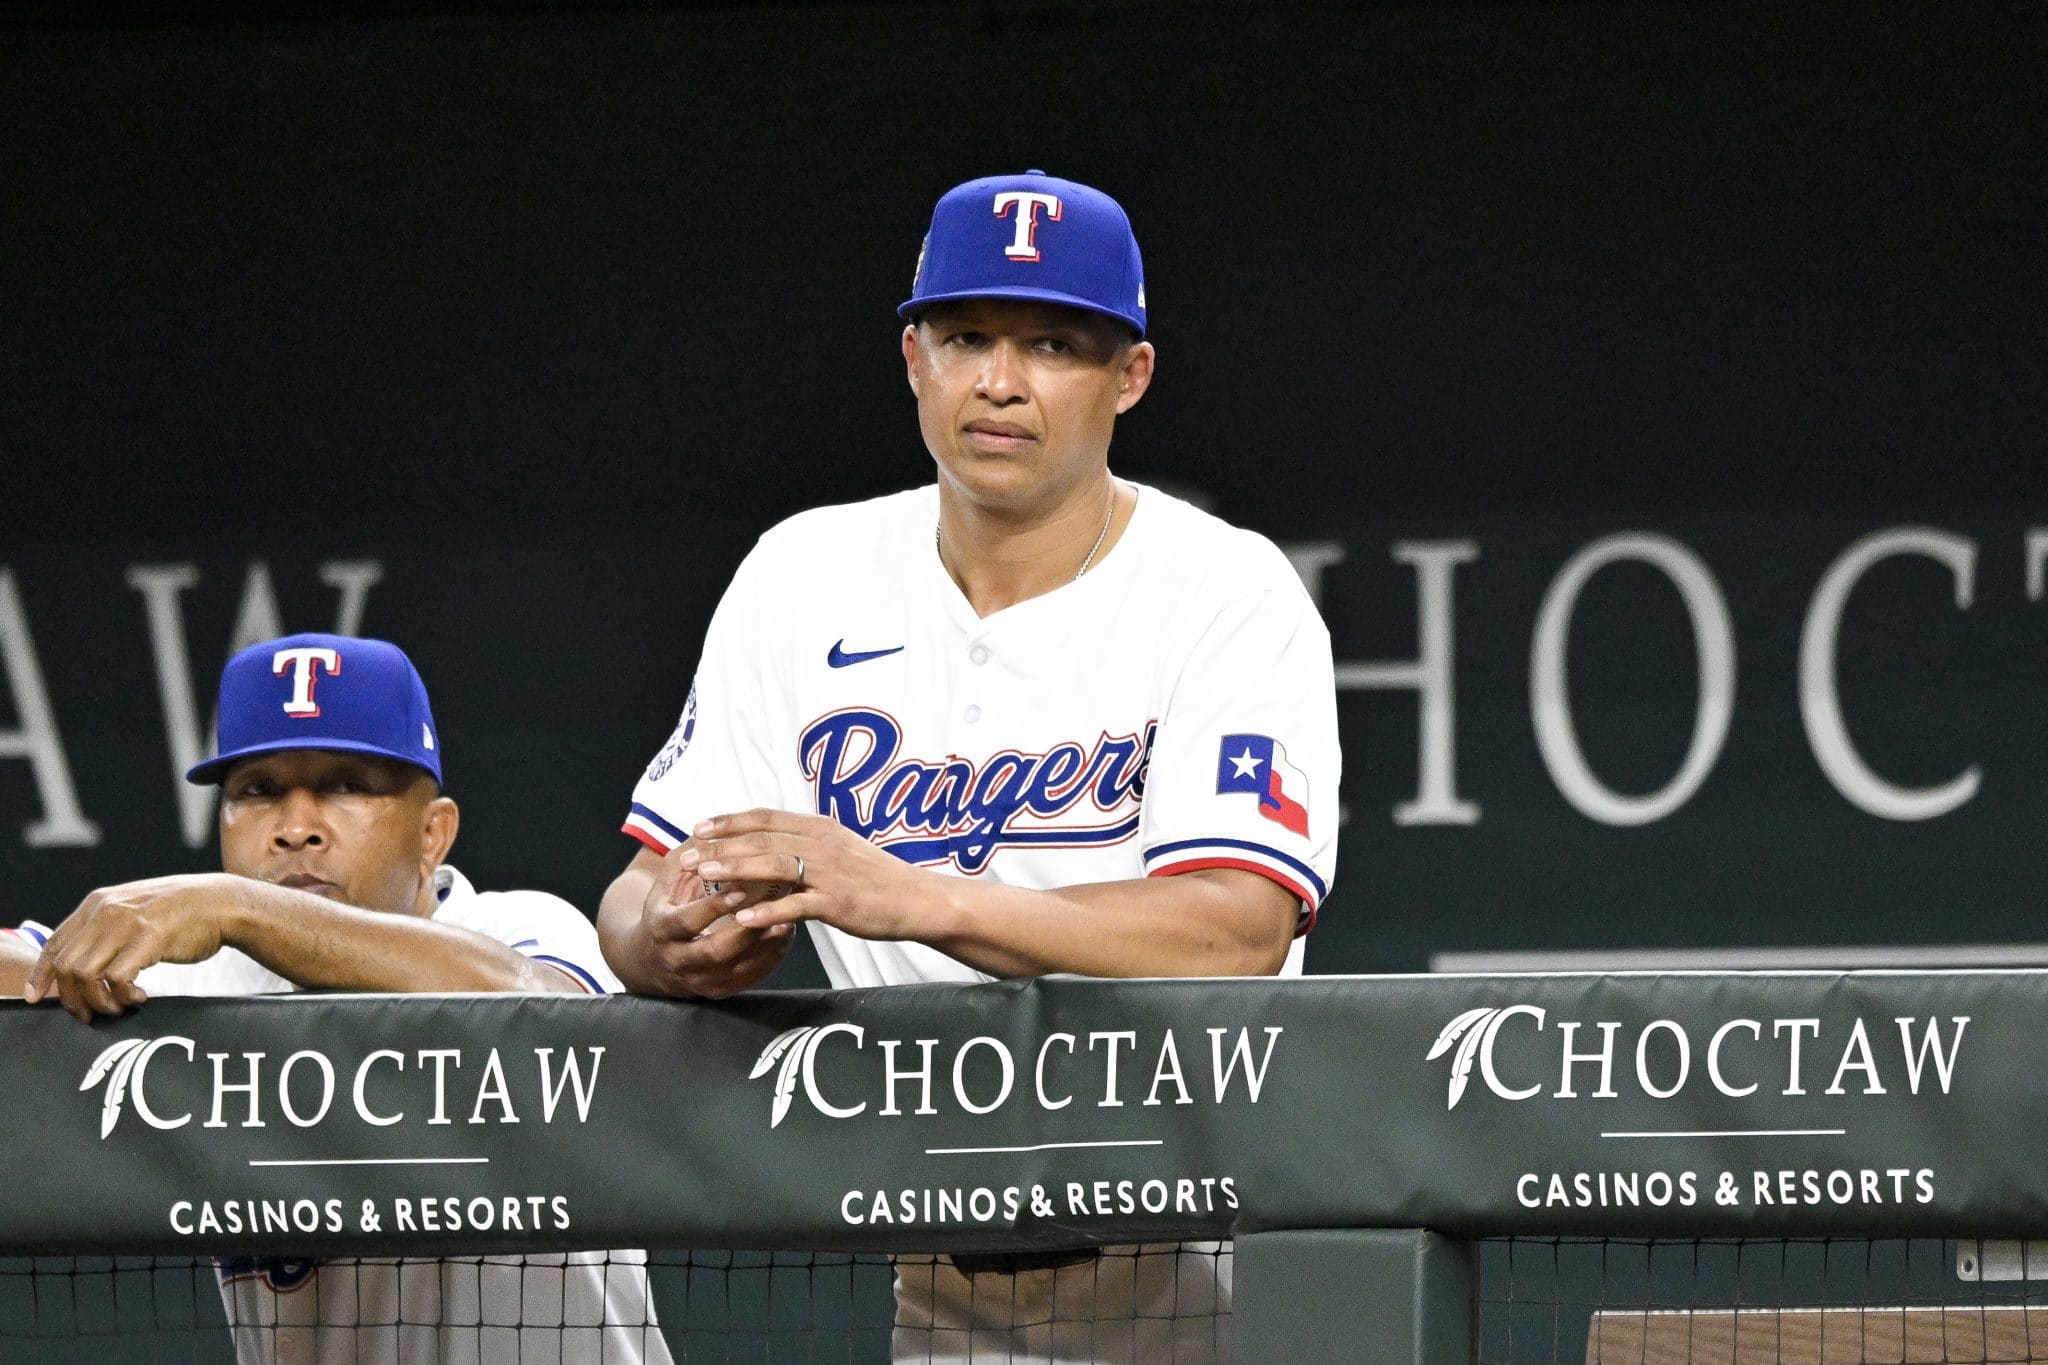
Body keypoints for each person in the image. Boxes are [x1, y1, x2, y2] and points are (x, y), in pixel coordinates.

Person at [598, 170, 1339, 1363]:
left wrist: (916, 896)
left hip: (1214, 1254)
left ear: (1128, 378)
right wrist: (669, 940)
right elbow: (638, 894)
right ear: (912, 358)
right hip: (941, 1266)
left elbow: (1234, 927)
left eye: (1052, 343)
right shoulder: (801, 575)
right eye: (966, 337)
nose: (999, 381)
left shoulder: (1225, 590)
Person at [3, 632, 671, 1365]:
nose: (296, 827)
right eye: (257, 791)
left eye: (345, 784)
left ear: (432, 833)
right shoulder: (195, 983)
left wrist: (240, 907)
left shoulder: (516, 928)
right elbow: (27, 966)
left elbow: (545, 1014)